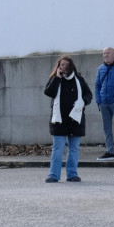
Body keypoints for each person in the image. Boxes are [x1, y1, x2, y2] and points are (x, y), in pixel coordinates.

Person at [44, 55, 93, 183]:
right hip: (59, 120)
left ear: (71, 66)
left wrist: (82, 103)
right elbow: (49, 92)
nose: (63, 67)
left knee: (74, 148)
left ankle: (72, 174)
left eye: (65, 64)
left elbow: (88, 95)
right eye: (61, 64)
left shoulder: (79, 80)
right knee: (58, 148)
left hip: (75, 119)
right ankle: (53, 175)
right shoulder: (55, 79)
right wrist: (57, 78)